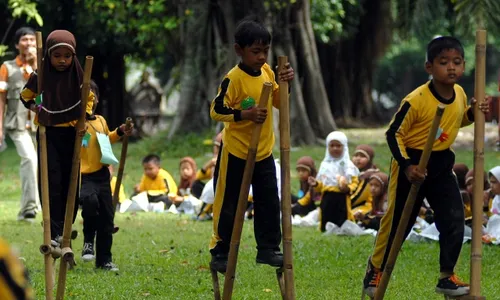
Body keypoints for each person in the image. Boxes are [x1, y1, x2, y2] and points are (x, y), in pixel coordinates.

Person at [362, 36, 490, 298]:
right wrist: (408, 166)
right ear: (429, 67)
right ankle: (375, 269)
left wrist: (472, 112)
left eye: (456, 62)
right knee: (399, 223)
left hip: (441, 165)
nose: (451, 68)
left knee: (454, 218)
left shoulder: (460, 94)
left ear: (464, 65)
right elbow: (392, 134)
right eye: (443, 63)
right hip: (412, 163)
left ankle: (447, 276)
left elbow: (455, 121)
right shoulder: (416, 99)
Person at [208, 17, 294, 273]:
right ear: (239, 50)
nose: (261, 56)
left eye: (265, 51)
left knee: (269, 200)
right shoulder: (233, 79)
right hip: (236, 151)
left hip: (264, 151)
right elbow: (216, 109)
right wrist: (244, 115)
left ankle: (267, 249)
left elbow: (279, 101)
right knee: (229, 204)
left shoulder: (268, 71)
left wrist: (286, 82)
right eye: (255, 51)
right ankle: (220, 250)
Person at [20, 30, 95, 245]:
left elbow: (89, 99)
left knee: (70, 181)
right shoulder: (40, 75)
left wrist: (85, 117)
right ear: (48, 56)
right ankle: (52, 230)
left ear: (73, 56)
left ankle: (65, 228)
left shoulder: (80, 76)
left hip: (72, 134)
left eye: (67, 56)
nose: (62, 60)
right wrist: (40, 108)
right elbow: (26, 97)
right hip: (48, 134)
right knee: (50, 179)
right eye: (57, 56)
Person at [79, 80, 133, 271]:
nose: (89, 99)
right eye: (85, 95)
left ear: (97, 99)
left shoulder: (100, 120)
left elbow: (105, 140)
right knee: (90, 202)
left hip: (102, 175)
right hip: (84, 177)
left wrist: (119, 132)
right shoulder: (78, 123)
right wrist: (80, 134)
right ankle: (88, 240)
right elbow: (82, 146)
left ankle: (104, 259)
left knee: (107, 218)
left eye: (92, 95)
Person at [0, 27, 40, 221]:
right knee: (30, 160)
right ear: (17, 44)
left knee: (40, 164)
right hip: (16, 126)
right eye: (25, 40)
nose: (29, 44)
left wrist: (35, 67)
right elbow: (1, 100)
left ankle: (34, 207)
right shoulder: (7, 67)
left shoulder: (42, 67)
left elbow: (44, 98)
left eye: (32, 40)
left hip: (39, 124)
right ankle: (29, 209)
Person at [308, 131, 359, 231]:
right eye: (332, 145)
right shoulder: (325, 165)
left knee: (342, 220)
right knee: (326, 216)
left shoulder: (348, 166)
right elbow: (322, 184)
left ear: (344, 147)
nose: (335, 148)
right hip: (327, 197)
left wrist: (347, 188)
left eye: (338, 145)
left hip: (341, 197)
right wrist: (316, 184)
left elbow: (354, 182)